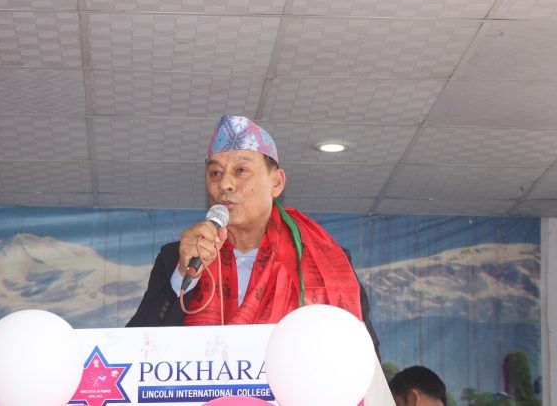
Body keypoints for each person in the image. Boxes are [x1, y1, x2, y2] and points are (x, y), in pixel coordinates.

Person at [126, 115, 379, 356]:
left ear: (276, 183)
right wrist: (184, 275)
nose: (225, 185)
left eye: (241, 170)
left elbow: (363, 359)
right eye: (215, 173)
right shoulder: (178, 257)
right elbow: (133, 350)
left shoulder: (322, 261)